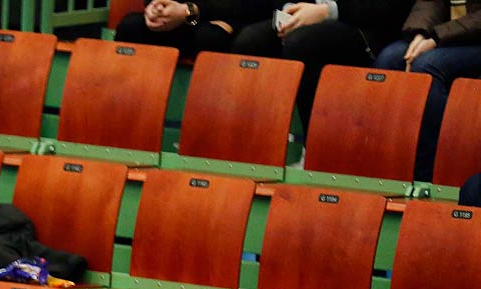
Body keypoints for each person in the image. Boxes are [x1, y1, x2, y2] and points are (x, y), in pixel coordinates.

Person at [231, 0, 415, 129]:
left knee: (303, 43)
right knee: (250, 41)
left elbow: (391, 8)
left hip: (362, 27)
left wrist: (328, 11)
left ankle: (313, 148)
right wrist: (291, 10)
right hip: (308, 17)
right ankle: (257, 145)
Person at [375, 1, 481, 182]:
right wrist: (420, 34)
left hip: (472, 40)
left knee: (428, 66)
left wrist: (435, 38)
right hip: (446, 37)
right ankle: (386, 168)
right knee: (390, 59)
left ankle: (426, 175)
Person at [113, 0, 271, 54]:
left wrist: (189, 11)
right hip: (180, 18)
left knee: (210, 36)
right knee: (131, 26)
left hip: (220, 17)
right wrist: (156, 7)